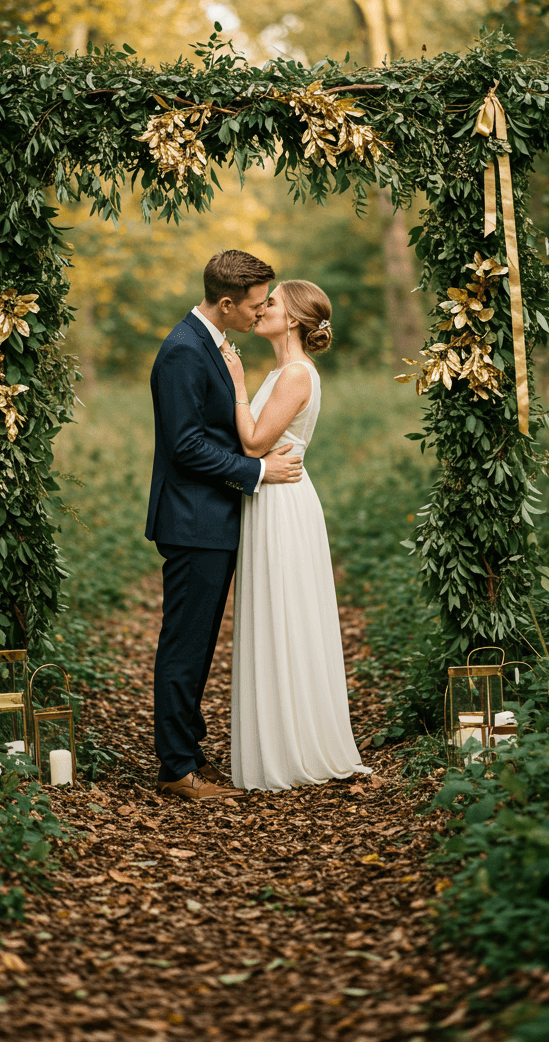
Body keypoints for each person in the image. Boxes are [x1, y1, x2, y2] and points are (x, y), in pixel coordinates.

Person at [146, 251, 306, 801]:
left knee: (200, 643)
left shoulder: (208, 344)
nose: (262, 311)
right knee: (185, 646)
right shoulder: (182, 353)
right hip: (193, 519)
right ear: (227, 303)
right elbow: (186, 446)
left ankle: (190, 751)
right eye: (258, 304)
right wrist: (259, 469)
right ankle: (176, 769)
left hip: (211, 518)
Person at [221, 280, 372, 791]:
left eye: (272, 304)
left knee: (285, 613)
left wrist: (238, 386)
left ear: (292, 320)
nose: (261, 309)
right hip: (271, 495)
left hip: (282, 502)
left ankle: (295, 747)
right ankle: (279, 740)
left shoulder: (295, 374)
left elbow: (256, 440)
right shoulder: (285, 371)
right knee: (274, 613)